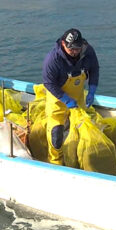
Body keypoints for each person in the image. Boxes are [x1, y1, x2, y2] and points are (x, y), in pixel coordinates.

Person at [42, 28, 99, 165]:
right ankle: (56, 161)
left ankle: (77, 157)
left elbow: (94, 69)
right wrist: (66, 100)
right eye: (71, 49)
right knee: (56, 132)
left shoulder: (88, 51)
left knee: (80, 129)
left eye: (77, 49)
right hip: (58, 98)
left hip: (78, 96)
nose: (74, 52)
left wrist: (92, 89)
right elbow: (48, 82)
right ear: (63, 44)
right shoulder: (53, 59)